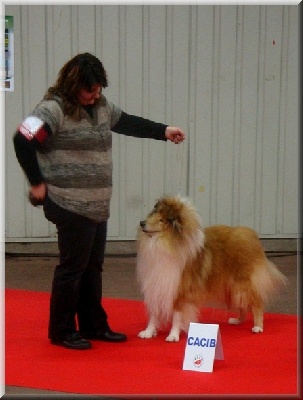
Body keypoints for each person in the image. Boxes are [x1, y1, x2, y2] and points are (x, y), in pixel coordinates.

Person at [13, 52, 185, 350]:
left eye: (98, 90)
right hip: (67, 202)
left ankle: (94, 325)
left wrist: (163, 131)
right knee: (72, 268)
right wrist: (37, 183)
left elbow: (128, 122)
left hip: (96, 205)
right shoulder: (52, 110)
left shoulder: (102, 107)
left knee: (93, 267)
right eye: (89, 90)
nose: (95, 96)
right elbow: (21, 140)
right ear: (73, 85)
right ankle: (63, 330)